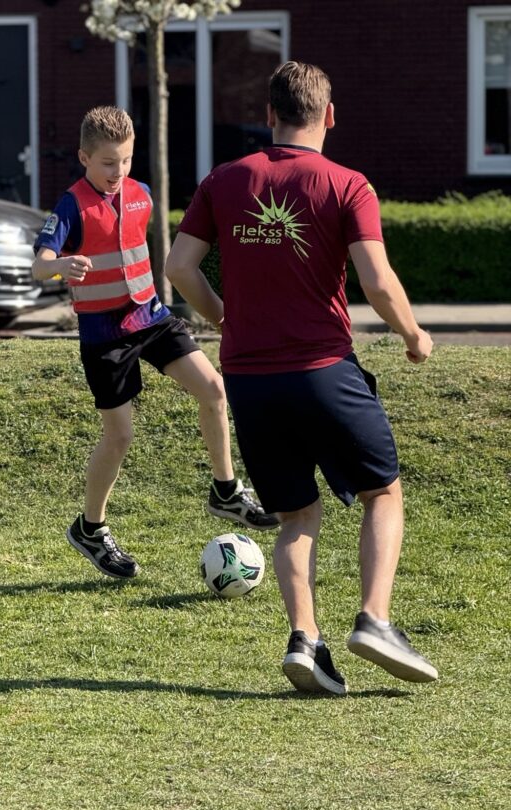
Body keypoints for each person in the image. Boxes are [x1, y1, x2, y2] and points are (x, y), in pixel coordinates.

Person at [165, 61, 438, 695]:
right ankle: (373, 620)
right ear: (330, 116)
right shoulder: (348, 184)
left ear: (269, 117)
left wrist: (224, 317)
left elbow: (179, 267)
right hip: (321, 371)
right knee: (383, 494)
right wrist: (412, 335)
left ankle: (306, 641)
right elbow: (376, 280)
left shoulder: (225, 180)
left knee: (296, 516)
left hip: (251, 382)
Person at [32, 105, 277, 580]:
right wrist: (61, 265)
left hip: (152, 318)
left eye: (125, 160)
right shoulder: (70, 206)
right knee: (120, 436)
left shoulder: (141, 194)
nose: (117, 172)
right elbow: (39, 263)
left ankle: (226, 492)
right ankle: (90, 528)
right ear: (83, 157)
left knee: (214, 390)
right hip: (104, 336)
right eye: (107, 162)